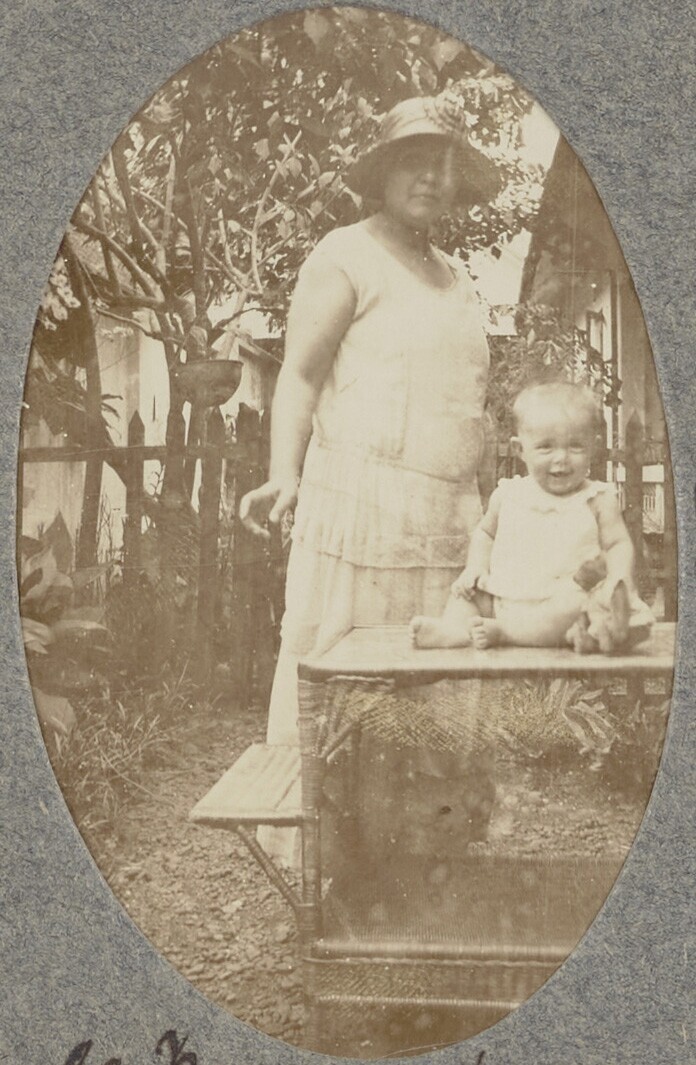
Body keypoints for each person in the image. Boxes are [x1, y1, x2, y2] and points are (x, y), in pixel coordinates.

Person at [240, 92, 501, 862]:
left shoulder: (457, 277)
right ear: (383, 172)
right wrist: (283, 473)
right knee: (349, 691)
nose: (431, 177)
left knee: (435, 696)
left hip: (447, 520)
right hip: (362, 511)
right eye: (414, 161)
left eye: (445, 164)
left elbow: (466, 404)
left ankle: (425, 862)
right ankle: (330, 867)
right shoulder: (345, 255)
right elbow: (298, 375)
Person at [410, 381, 653, 650]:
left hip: (561, 603)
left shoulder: (597, 499)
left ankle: (507, 633)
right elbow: (485, 533)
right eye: (546, 447)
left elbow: (618, 543)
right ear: (520, 449)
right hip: (504, 596)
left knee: (580, 603)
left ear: (593, 449)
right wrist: (476, 567)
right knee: (467, 593)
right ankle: (453, 629)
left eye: (575, 447)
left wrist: (619, 579)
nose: (561, 458)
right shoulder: (508, 495)